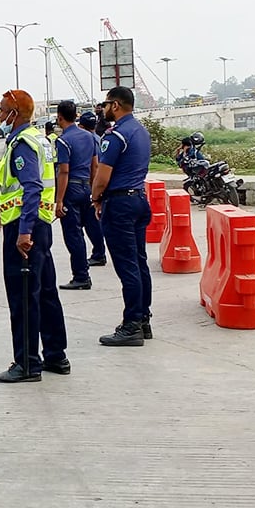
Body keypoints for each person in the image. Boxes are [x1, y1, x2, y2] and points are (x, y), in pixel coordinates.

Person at [0, 89, 68, 383]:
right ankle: (56, 356)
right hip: (41, 225)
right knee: (45, 292)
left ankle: (26, 364)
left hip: (27, 231)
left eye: (2, 112)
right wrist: (4, 211)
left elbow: (32, 186)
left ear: (15, 114)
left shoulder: (22, 144)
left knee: (22, 297)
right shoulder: (41, 139)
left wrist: (22, 232)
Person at [92, 86, 154, 347]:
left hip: (119, 204)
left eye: (105, 105)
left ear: (115, 105)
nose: (103, 110)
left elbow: (102, 176)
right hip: (139, 198)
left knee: (127, 266)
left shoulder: (115, 135)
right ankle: (143, 318)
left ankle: (131, 326)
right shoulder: (140, 131)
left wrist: (95, 198)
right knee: (139, 262)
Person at [54, 101, 107, 291]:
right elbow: (95, 166)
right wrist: (95, 193)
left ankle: (81, 276)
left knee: (74, 236)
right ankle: (96, 256)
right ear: (75, 116)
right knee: (90, 227)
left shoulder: (62, 141)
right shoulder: (89, 137)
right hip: (87, 187)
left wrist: (59, 200)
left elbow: (64, 172)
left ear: (60, 117)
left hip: (71, 190)